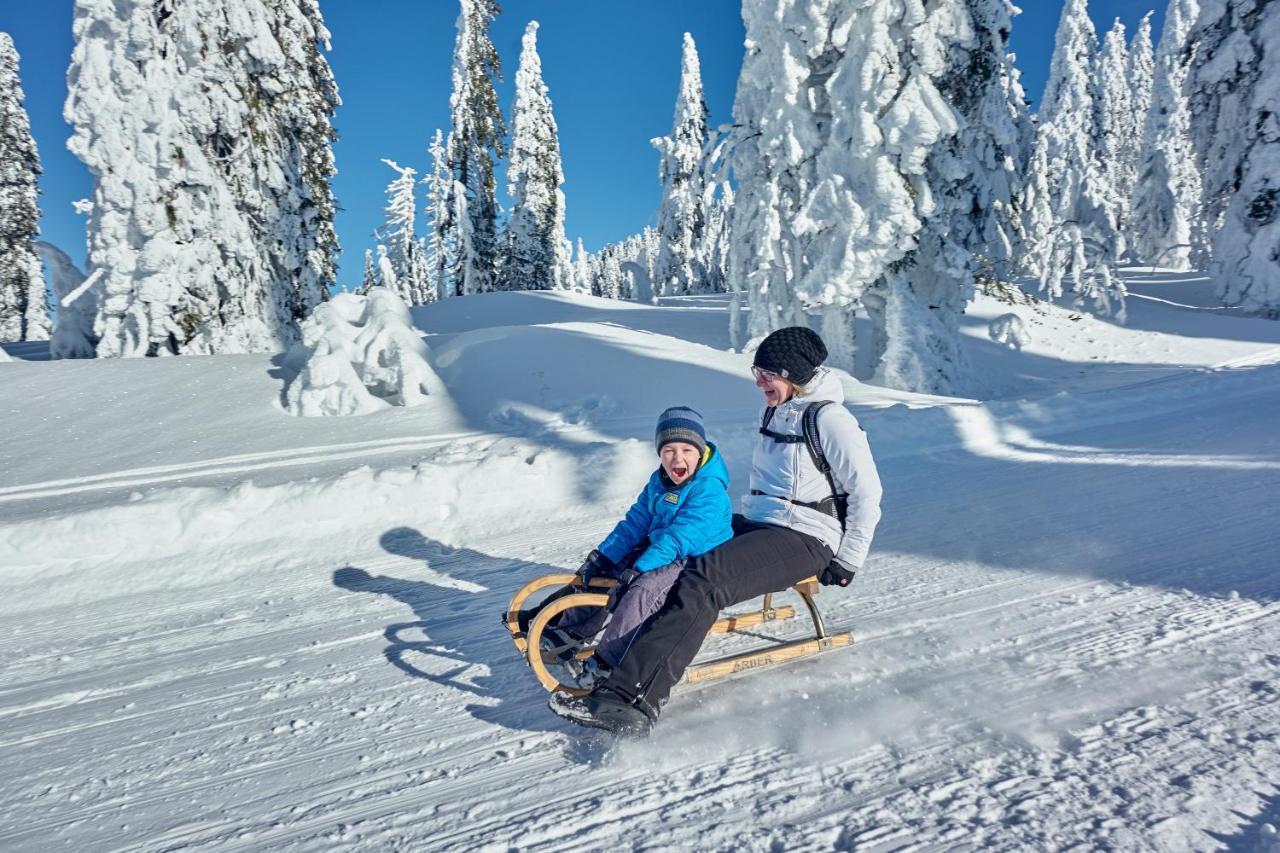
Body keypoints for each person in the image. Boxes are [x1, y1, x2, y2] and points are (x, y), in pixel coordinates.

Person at [550, 326, 883, 736]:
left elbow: (866, 491)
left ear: (792, 374)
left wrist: (848, 558)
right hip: (765, 523)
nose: (758, 382)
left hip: (807, 536)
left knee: (705, 581)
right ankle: (594, 641)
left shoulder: (831, 418)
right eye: (755, 371)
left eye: (767, 374)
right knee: (679, 547)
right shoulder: (777, 409)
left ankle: (632, 699)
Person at [539, 406, 734, 689]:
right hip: (664, 550)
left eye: (686, 450)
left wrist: (639, 569)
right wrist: (603, 556)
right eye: (669, 450)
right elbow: (635, 523)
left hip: (698, 559)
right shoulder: (659, 482)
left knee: (641, 590)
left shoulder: (709, 490)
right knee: (610, 569)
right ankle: (571, 632)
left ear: (700, 451)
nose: (677, 458)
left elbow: (679, 539)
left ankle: (609, 662)